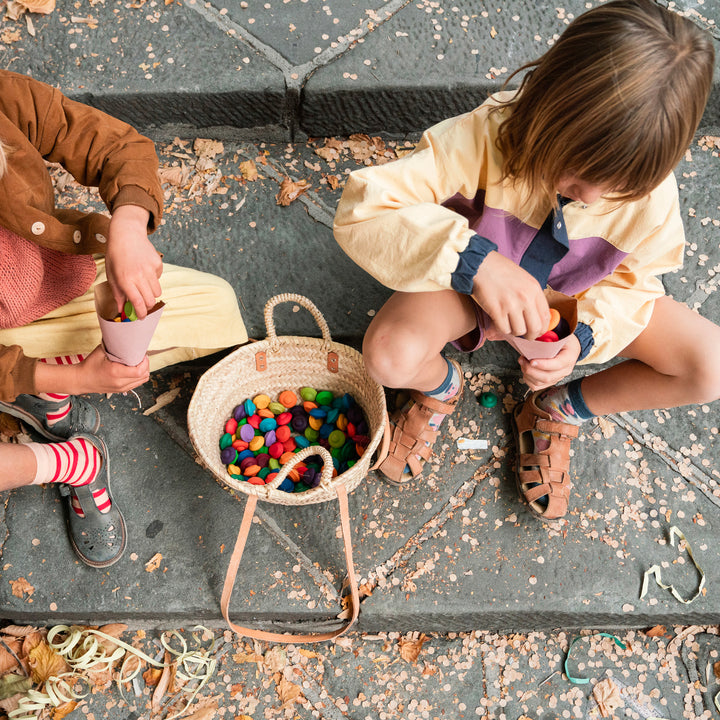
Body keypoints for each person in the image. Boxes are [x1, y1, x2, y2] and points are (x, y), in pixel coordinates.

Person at [333, 0, 718, 520]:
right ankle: (441, 385)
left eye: (620, 187)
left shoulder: (648, 193)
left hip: (570, 300)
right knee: (387, 356)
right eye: (576, 172)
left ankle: (558, 408)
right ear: (547, 108)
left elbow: (638, 282)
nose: (593, 199)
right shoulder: (486, 134)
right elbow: (365, 205)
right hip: (464, 291)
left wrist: (584, 337)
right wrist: (475, 262)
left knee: (709, 367)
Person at [0, 70, 247, 567]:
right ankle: (71, 460)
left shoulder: (5, 98)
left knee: (215, 307)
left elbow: (118, 146)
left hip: (49, 283)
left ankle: (43, 395)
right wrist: (77, 376)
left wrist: (128, 227)